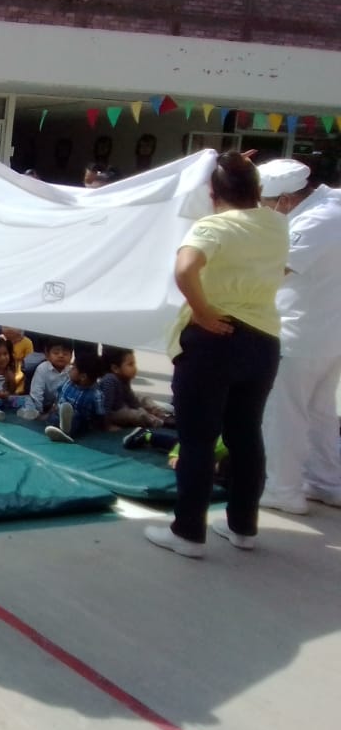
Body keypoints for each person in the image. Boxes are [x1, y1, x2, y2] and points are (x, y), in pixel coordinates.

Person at [144, 151, 288, 558]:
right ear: (257, 189)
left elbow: (185, 268)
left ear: (212, 193)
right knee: (246, 434)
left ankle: (188, 533)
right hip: (263, 341)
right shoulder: (276, 224)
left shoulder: (214, 225)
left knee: (198, 439)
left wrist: (203, 311)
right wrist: (236, 168)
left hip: (215, 339)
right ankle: (243, 528)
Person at [259, 163, 341, 513]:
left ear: (286, 199)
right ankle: (326, 482)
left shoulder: (315, 222)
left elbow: (274, 270)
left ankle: (283, 489)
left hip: (300, 335)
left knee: (284, 414)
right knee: (320, 413)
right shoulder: (332, 207)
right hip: (327, 332)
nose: (265, 209)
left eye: (266, 203)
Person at [100, 346, 170, 429]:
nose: (135, 368)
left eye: (134, 364)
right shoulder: (109, 380)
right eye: (130, 364)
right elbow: (105, 407)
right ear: (115, 368)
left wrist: (139, 408)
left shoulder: (124, 377)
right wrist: (107, 426)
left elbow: (130, 398)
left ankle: (161, 413)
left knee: (143, 398)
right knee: (134, 414)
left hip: (122, 404)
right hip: (113, 412)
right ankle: (158, 422)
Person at [44, 352, 107, 442]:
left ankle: (65, 431)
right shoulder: (68, 383)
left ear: (83, 377)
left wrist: (97, 426)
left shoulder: (96, 394)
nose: (70, 369)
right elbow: (59, 395)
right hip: (59, 412)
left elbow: (100, 415)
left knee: (76, 418)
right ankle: (59, 429)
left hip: (79, 421)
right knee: (54, 416)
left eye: (73, 368)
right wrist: (54, 407)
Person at [27, 338, 73, 416]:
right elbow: (36, 394)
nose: (61, 356)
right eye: (56, 353)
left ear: (71, 356)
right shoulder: (42, 368)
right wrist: (39, 413)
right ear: (47, 355)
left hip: (59, 407)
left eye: (65, 353)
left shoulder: (71, 371)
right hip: (42, 405)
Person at [0, 326, 33, 392]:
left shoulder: (27, 342)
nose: (8, 329)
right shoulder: (0, 340)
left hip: (20, 368)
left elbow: (29, 361)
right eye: (5, 327)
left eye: (11, 327)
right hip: (2, 365)